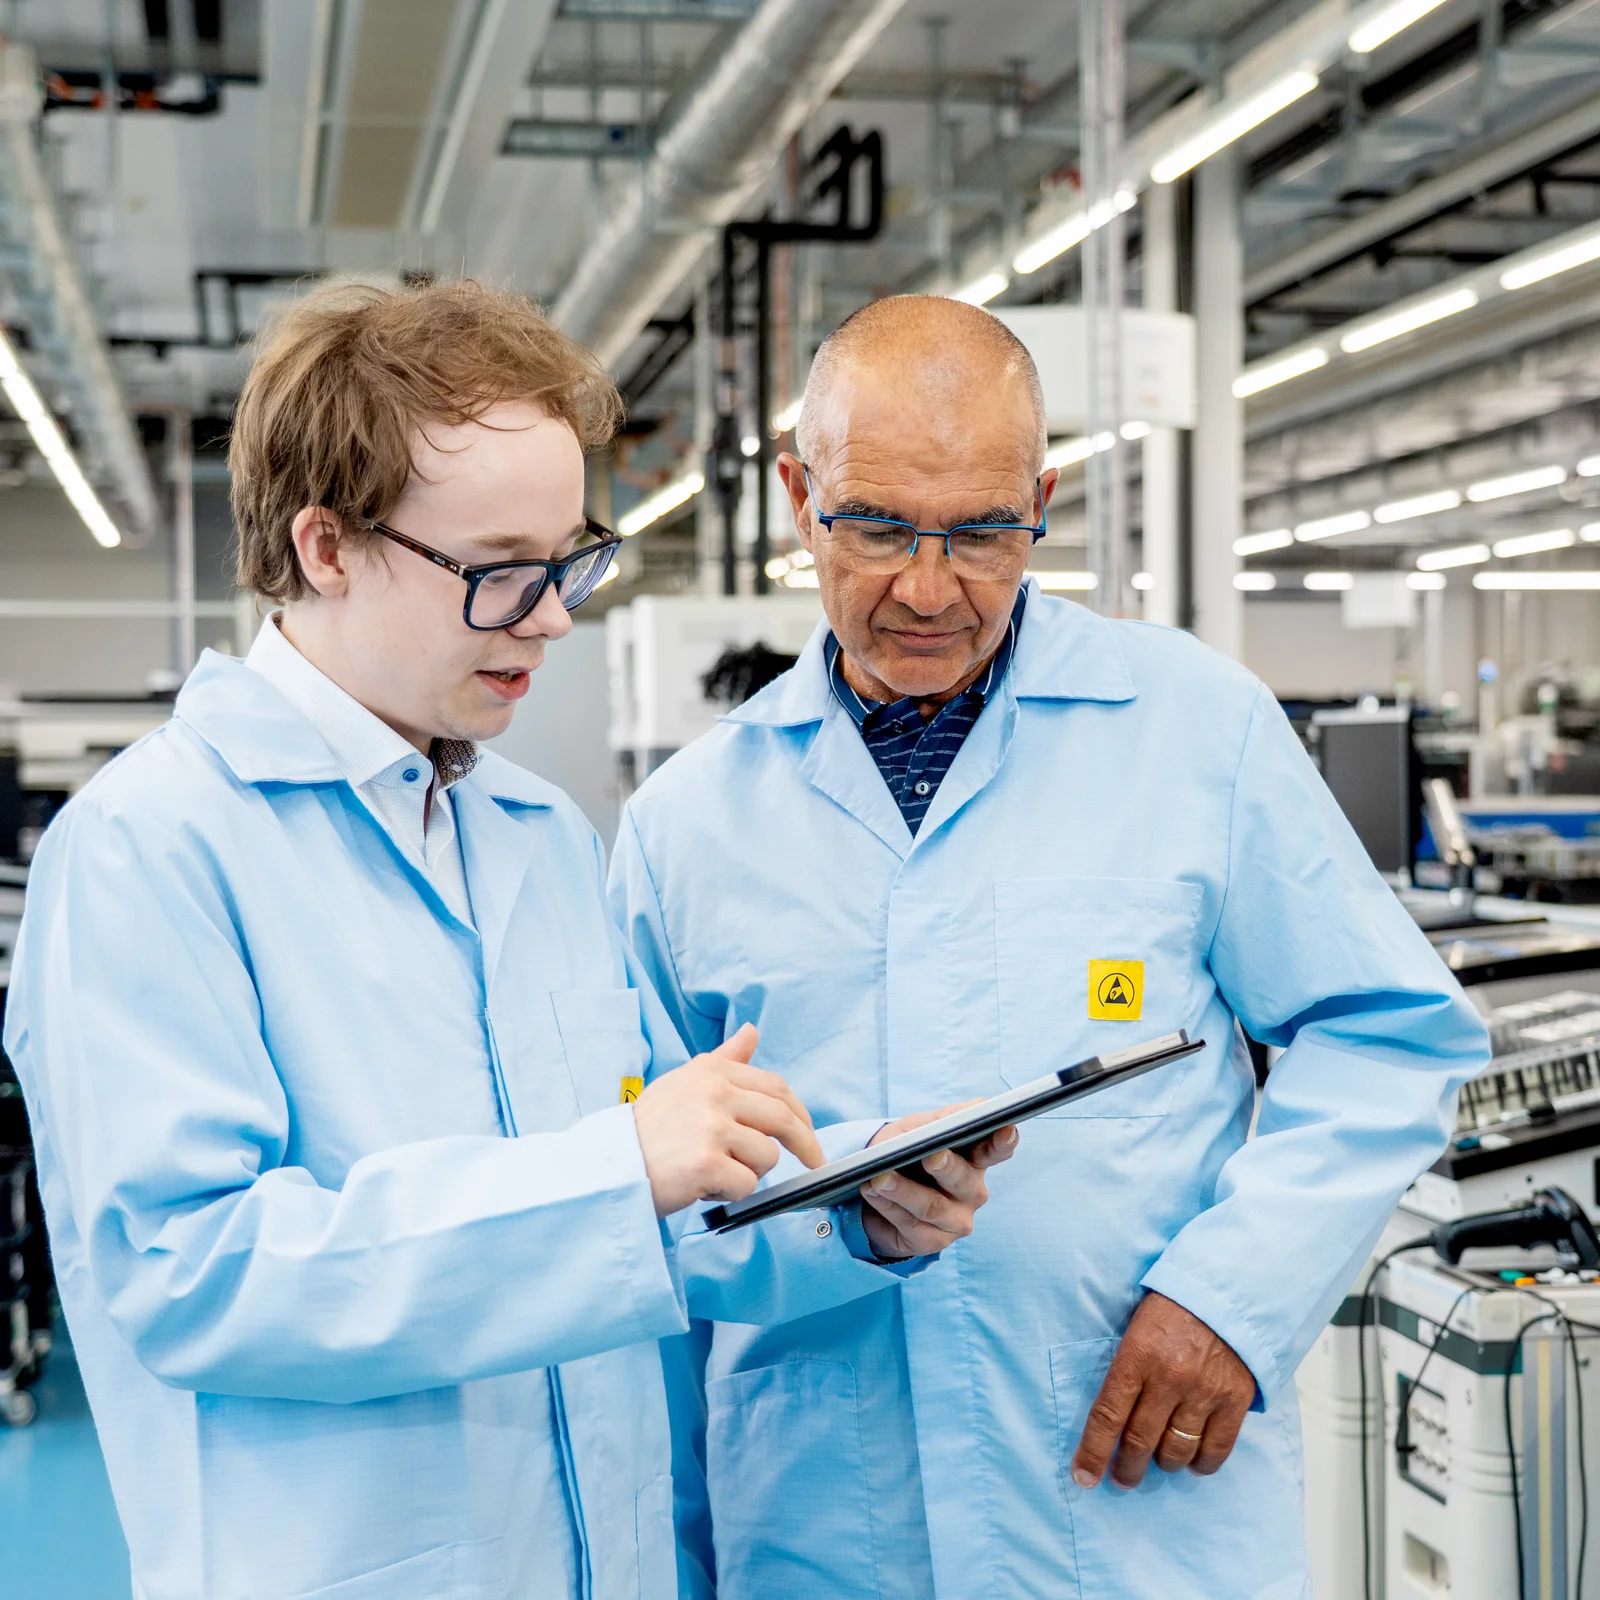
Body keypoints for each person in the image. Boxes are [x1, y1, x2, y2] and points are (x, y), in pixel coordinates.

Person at [1, 280, 1009, 1600]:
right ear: (326, 546)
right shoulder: (155, 847)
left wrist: (857, 1208)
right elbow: (195, 1274)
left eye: (568, 560)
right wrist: (615, 1174)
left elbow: (663, 1205)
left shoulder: (533, 837)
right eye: (499, 572)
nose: (552, 617)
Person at [609, 293, 1491, 1599]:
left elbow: (1386, 1031)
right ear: (801, 498)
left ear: (1045, 500)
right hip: (822, 1528)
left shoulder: (1195, 731)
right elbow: (631, 1213)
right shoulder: (685, 829)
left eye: (980, 533)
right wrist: (830, 1222)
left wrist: (1231, 1301)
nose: (927, 586)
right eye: (876, 527)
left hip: (1134, 1518)